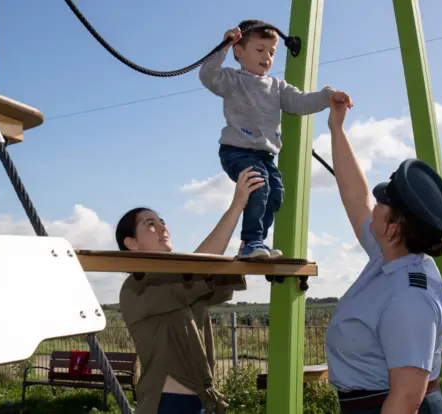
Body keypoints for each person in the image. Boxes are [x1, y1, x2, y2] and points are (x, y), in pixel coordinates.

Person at [323, 97, 442, 414]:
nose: (374, 206)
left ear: (394, 228)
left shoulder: (409, 297)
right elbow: (355, 195)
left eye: (383, 203)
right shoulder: (391, 257)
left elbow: (407, 397)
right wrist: (336, 128)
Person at [199, 19, 352, 260]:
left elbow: (301, 102)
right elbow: (208, 75)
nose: (267, 57)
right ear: (239, 52)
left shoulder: (276, 86)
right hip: (237, 150)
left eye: (271, 52)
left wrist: (328, 96)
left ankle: (254, 242)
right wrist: (223, 46)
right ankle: (251, 241)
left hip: (265, 155)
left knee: (275, 193)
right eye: (259, 50)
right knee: (259, 186)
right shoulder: (232, 80)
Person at [116, 167, 265, 414]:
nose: (162, 227)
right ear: (131, 243)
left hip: (200, 403)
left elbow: (212, 278)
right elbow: (201, 267)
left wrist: (247, 255)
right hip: (168, 404)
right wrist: (237, 206)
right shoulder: (137, 287)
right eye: (150, 224)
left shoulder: (177, 281)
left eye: (162, 222)